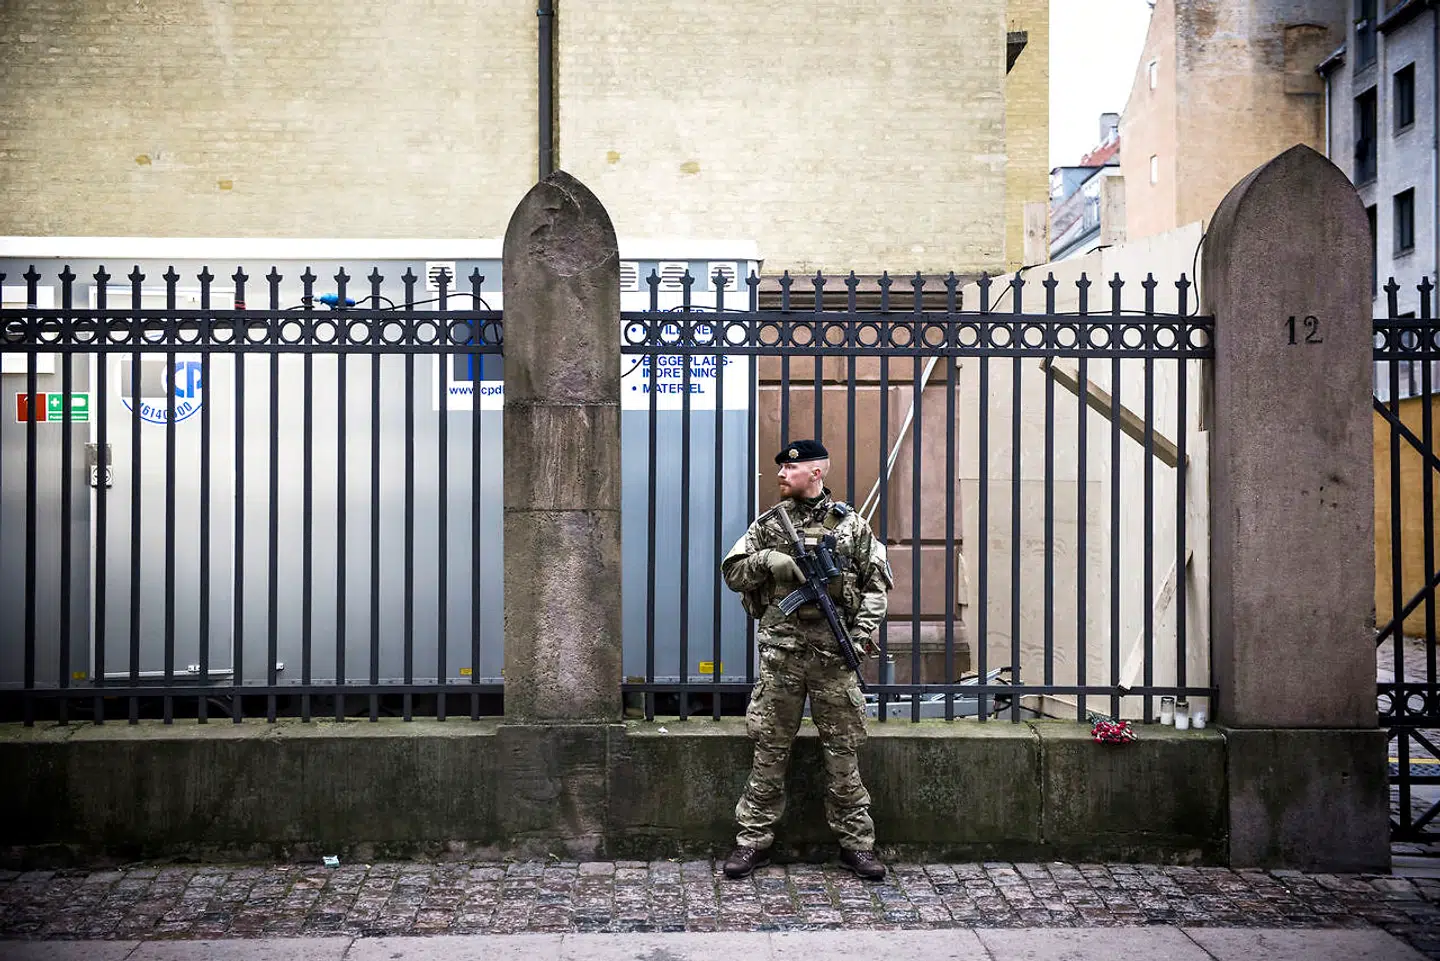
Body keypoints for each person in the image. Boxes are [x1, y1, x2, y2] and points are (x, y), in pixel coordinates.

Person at [719, 439, 893, 881]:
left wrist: (858, 636)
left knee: (843, 753)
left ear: (816, 473)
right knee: (769, 751)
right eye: (779, 469)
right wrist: (768, 559)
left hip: (835, 658)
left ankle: (857, 844)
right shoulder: (767, 525)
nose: (780, 475)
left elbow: (876, 587)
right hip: (782, 657)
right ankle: (751, 841)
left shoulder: (852, 528)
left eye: (789, 470)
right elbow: (733, 573)